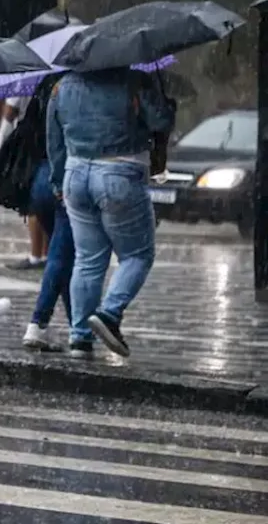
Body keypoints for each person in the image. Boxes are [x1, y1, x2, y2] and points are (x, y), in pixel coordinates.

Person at [47, 68, 174, 358]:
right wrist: (164, 102)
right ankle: (109, 314)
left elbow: (53, 137)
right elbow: (160, 122)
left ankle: (80, 337)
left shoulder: (62, 85)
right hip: (120, 171)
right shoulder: (134, 81)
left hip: (75, 173)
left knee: (87, 259)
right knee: (137, 255)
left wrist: (57, 180)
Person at [16, 77, 75, 352]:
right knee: (61, 255)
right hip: (61, 177)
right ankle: (38, 323)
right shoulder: (72, 90)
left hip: (38, 180)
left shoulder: (44, 88)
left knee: (63, 255)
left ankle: (78, 325)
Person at [0, 95, 50, 270]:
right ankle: (46, 252)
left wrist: (0, 146)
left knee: (32, 202)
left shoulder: (23, 76)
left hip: (28, 145)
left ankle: (36, 255)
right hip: (50, 138)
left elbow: (9, 113)